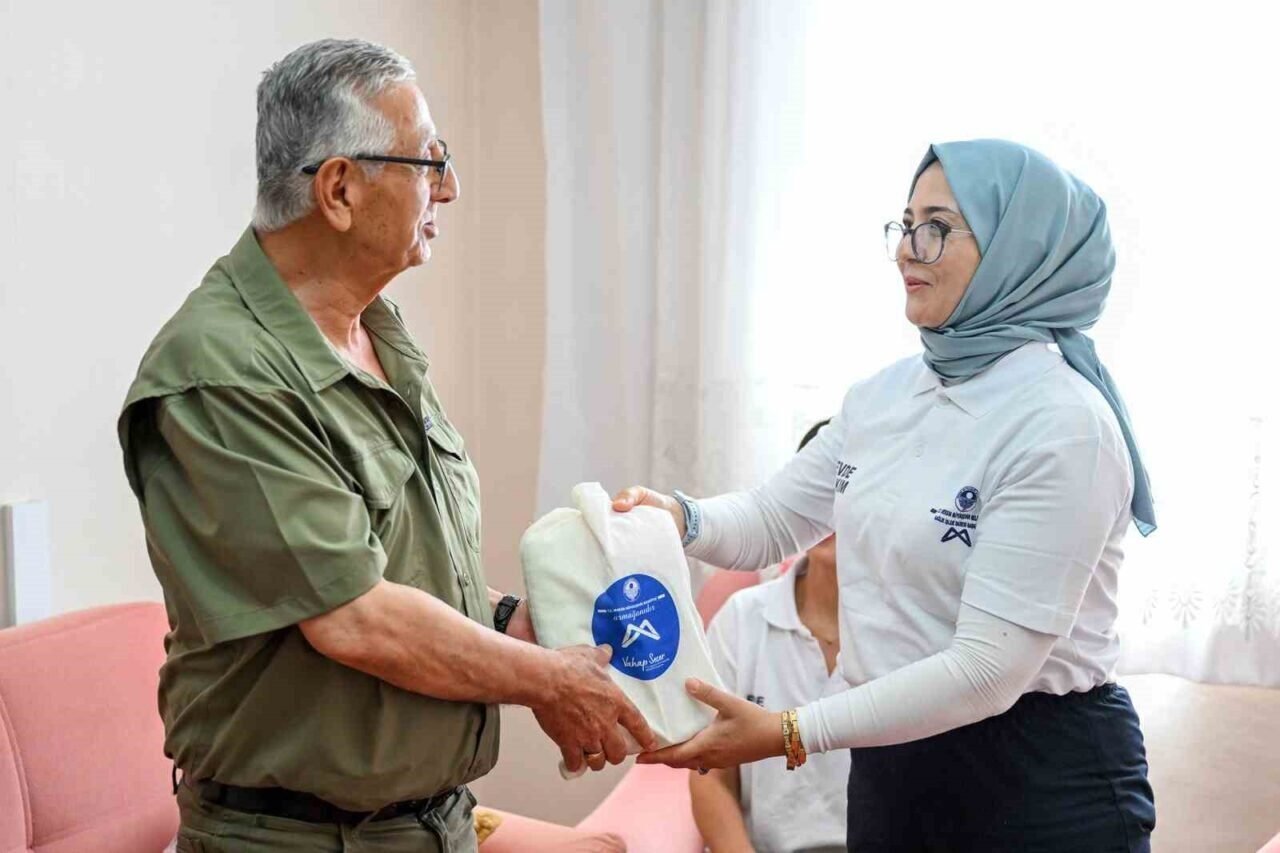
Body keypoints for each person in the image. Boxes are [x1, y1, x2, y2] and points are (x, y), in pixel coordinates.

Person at [117, 39, 653, 853]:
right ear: (339, 189)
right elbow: (354, 615)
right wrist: (548, 680)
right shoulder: (222, 370)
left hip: (434, 823)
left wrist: (516, 624)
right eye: (429, 161)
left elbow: (401, 564)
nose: (450, 187)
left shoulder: (376, 333)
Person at [614, 140, 1158, 852]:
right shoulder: (884, 396)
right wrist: (678, 517)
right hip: (891, 773)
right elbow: (774, 521)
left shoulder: (1064, 426)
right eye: (905, 224)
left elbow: (987, 671)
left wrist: (789, 731)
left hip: (1036, 782)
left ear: (1017, 248)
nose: (907, 249)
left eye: (937, 226)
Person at [691, 419, 850, 853]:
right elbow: (711, 777)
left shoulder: (912, 631)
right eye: (817, 491)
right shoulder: (742, 620)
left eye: (849, 488)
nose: (830, 508)